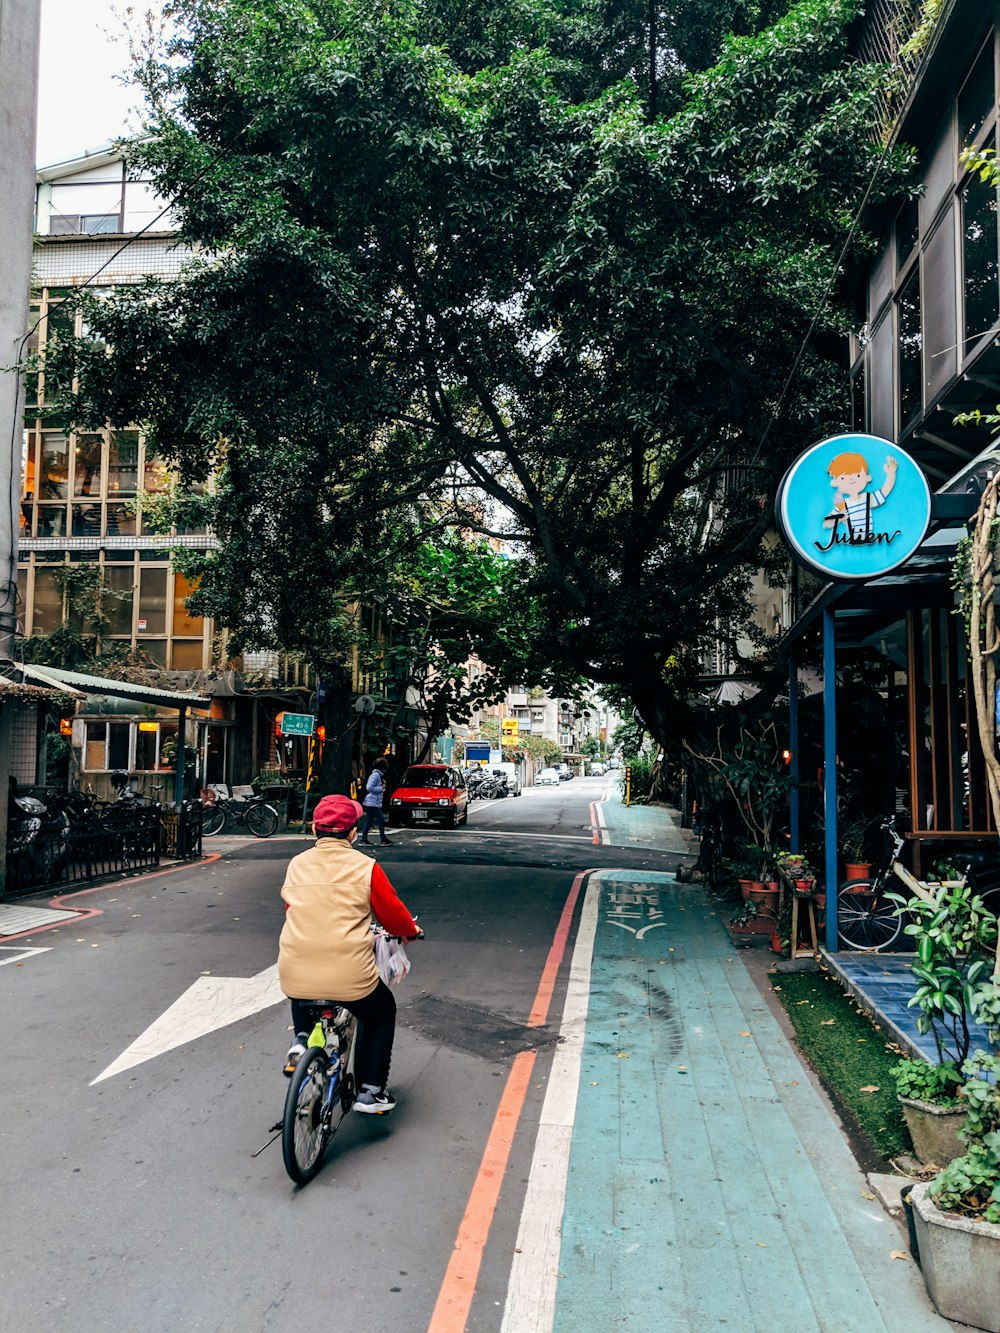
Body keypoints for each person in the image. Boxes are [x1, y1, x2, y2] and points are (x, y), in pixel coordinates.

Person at [277, 793, 422, 1113]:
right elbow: (393, 915)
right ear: (353, 832)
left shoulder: (296, 865)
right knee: (381, 1011)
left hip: (294, 969)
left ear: (315, 829)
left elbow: (292, 909)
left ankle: (301, 1040)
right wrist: (410, 932)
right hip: (350, 976)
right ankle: (371, 1090)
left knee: (303, 983)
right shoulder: (365, 867)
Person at [360, 757, 391, 846]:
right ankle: (383, 839)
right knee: (380, 819)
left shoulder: (377, 775)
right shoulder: (376, 775)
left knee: (370, 820)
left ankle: (364, 838)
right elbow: (369, 787)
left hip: (372, 801)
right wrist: (381, 788)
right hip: (372, 802)